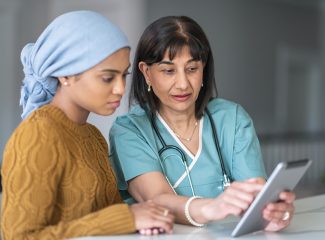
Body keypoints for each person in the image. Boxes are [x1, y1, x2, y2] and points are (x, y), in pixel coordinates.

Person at [109, 16, 295, 233]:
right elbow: (157, 199)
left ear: (203, 69)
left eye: (192, 69)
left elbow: (255, 195)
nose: (183, 84)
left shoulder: (232, 119)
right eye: (168, 71)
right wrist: (211, 208)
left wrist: (271, 213)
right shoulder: (129, 130)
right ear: (146, 72)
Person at [0, 11, 174, 239]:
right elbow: (19, 236)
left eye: (124, 75)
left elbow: (108, 221)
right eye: (107, 78)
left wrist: (139, 222)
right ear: (65, 75)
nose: (121, 88)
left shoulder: (93, 136)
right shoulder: (37, 135)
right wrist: (127, 218)